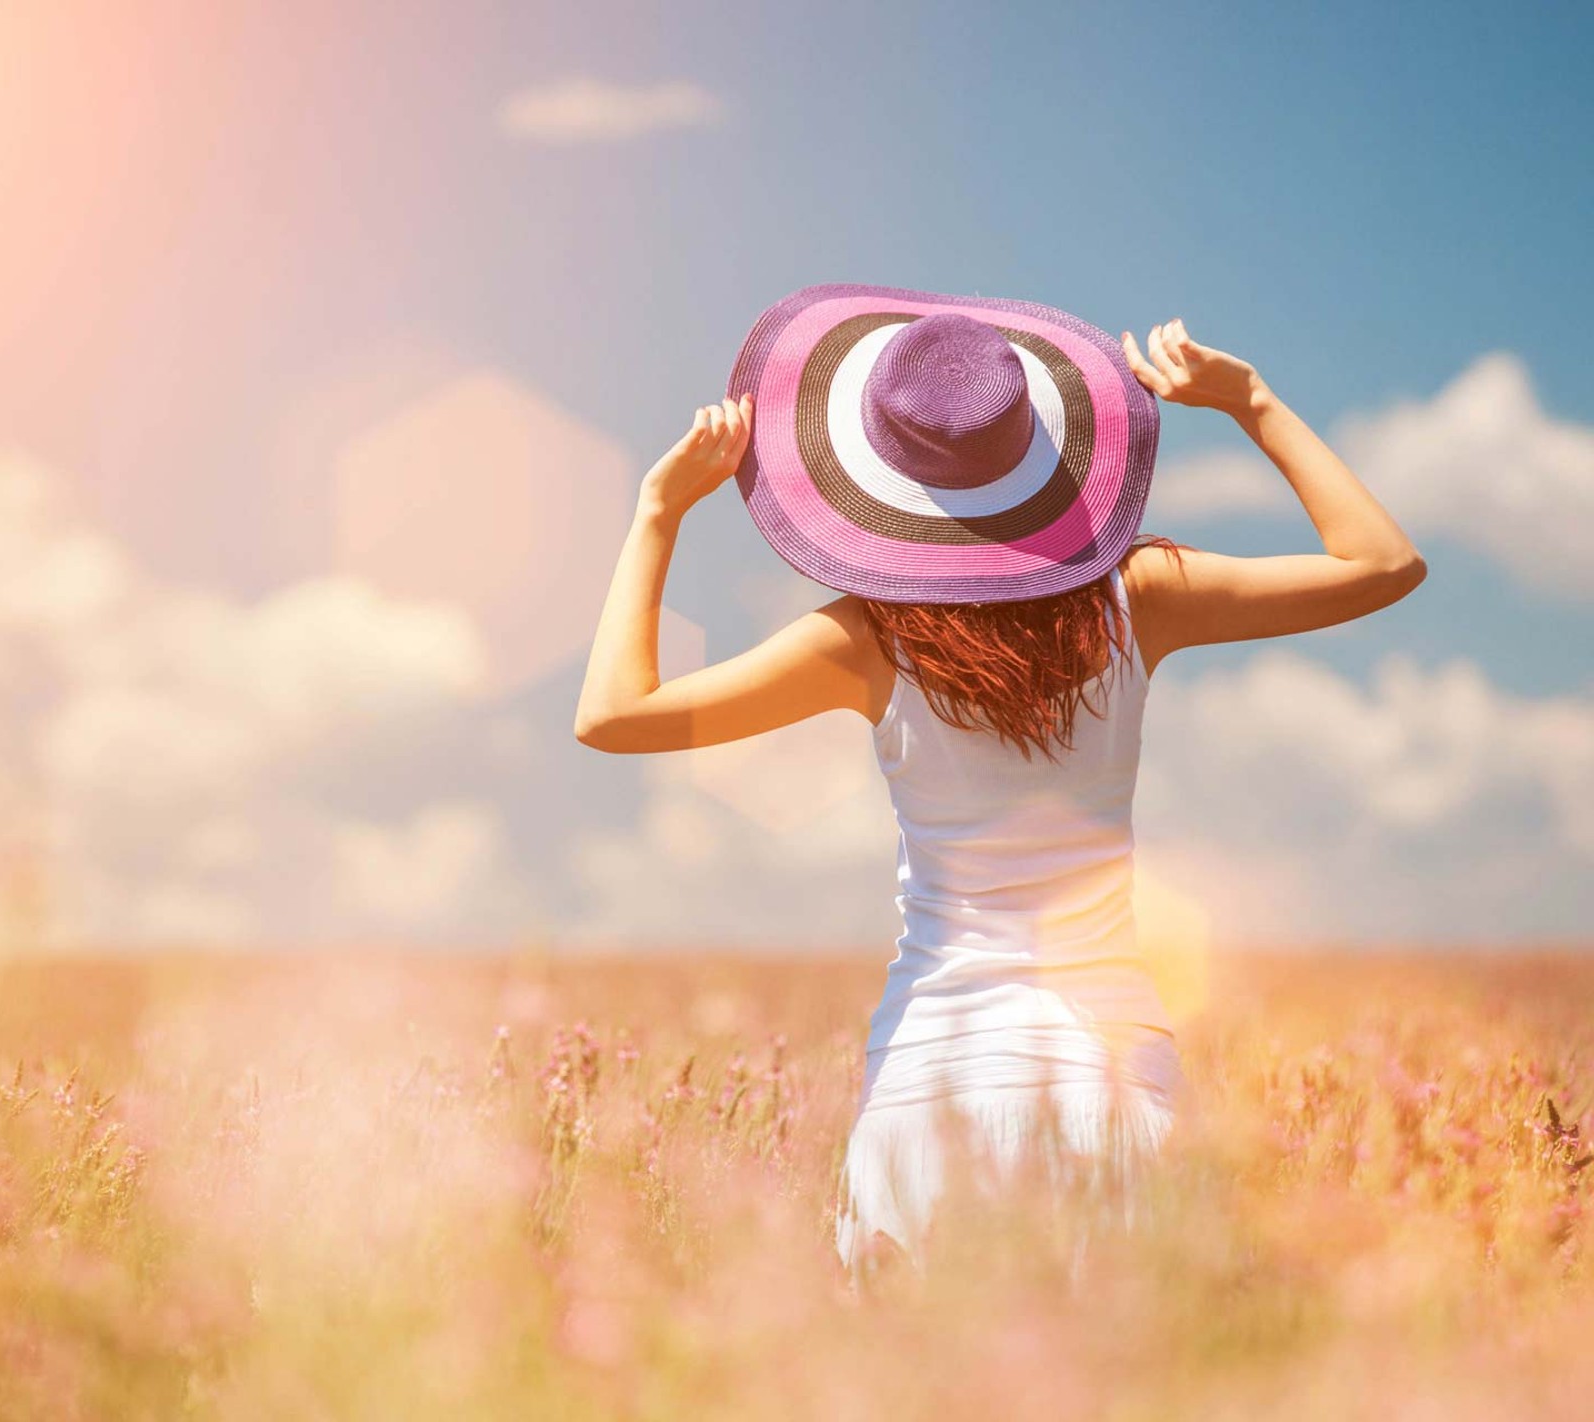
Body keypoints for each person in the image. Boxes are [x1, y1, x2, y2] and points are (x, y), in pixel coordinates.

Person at [573, 284, 1426, 1292]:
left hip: (929, 1084)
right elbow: (1382, 564)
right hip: (1117, 1082)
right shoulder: (1138, 598)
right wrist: (1251, 403)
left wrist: (657, 513)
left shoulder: (865, 641)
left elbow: (613, 715)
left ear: (881, 482)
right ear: (1039, 457)